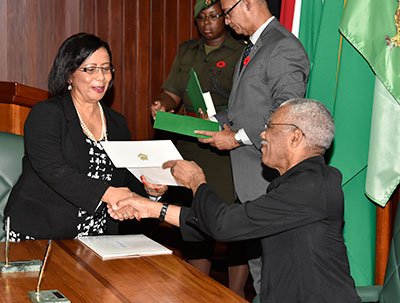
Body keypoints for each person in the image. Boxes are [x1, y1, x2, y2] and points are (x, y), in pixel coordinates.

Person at [109, 99, 361, 303]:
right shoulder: (303, 182)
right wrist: (151, 209)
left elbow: (225, 225)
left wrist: (197, 182)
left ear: (295, 137)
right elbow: (233, 221)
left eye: (270, 127)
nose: (262, 133)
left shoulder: (309, 187)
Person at [193, 0, 310, 292]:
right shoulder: (253, 45)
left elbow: (286, 115)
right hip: (249, 182)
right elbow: (246, 111)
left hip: (267, 182)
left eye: (226, 12)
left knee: (274, 279)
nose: (225, 20)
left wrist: (235, 138)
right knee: (261, 275)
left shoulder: (283, 46)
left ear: (247, 3)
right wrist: (214, 122)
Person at [4, 33, 166, 241]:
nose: (101, 77)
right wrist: (107, 193)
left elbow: (125, 178)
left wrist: (150, 190)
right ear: (69, 74)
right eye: (90, 69)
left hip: (99, 238)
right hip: (41, 234)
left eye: (106, 68)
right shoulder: (46, 114)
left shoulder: (117, 123)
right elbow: (53, 170)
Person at [150, 0, 249, 296]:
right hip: (192, 145)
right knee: (194, 219)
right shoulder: (187, 51)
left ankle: (236, 294)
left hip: (226, 148)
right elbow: (172, 93)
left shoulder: (242, 50)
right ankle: (196, 292)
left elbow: (246, 103)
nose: (207, 23)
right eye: (201, 18)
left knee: (232, 221)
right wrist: (162, 105)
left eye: (214, 16)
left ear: (225, 17)